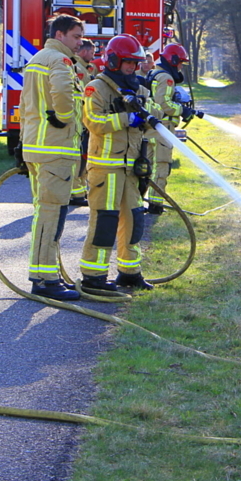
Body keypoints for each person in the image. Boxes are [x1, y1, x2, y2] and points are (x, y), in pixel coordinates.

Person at [78, 33, 160, 293]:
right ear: (113, 61)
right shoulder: (97, 87)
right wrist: (126, 119)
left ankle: (129, 272)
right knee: (104, 222)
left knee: (134, 220)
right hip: (106, 168)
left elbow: (154, 120)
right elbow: (92, 121)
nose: (132, 68)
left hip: (131, 169)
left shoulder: (140, 88)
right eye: (127, 62)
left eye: (135, 63)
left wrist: (147, 117)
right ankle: (94, 277)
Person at [20, 14, 85, 301]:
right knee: (51, 215)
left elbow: (25, 105)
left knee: (44, 212)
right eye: (75, 37)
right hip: (55, 149)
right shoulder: (60, 61)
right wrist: (62, 118)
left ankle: (47, 275)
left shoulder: (36, 59)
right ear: (60, 35)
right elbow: (61, 93)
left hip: (37, 147)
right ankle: (45, 279)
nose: (79, 43)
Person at [145, 43, 189, 215]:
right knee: (161, 165)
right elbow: (164, 104)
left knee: (146, 164)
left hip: (151, 126)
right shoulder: (166, 78)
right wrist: (182, 110)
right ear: (173, 60)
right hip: (162, 127)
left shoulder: (154, 73)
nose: (180, 67)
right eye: (180, 63)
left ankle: (139, 201)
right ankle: (156, 204)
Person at [69, 39, 98, 207]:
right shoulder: (78, 69)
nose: (93, 56)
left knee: (83, 157)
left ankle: (80, 191)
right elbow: (85, 98)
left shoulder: (85, 68)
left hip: (83, 121)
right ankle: (76, 194)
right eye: (92, 52)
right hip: (79, 121)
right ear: (84, 51)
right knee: (77, 159)